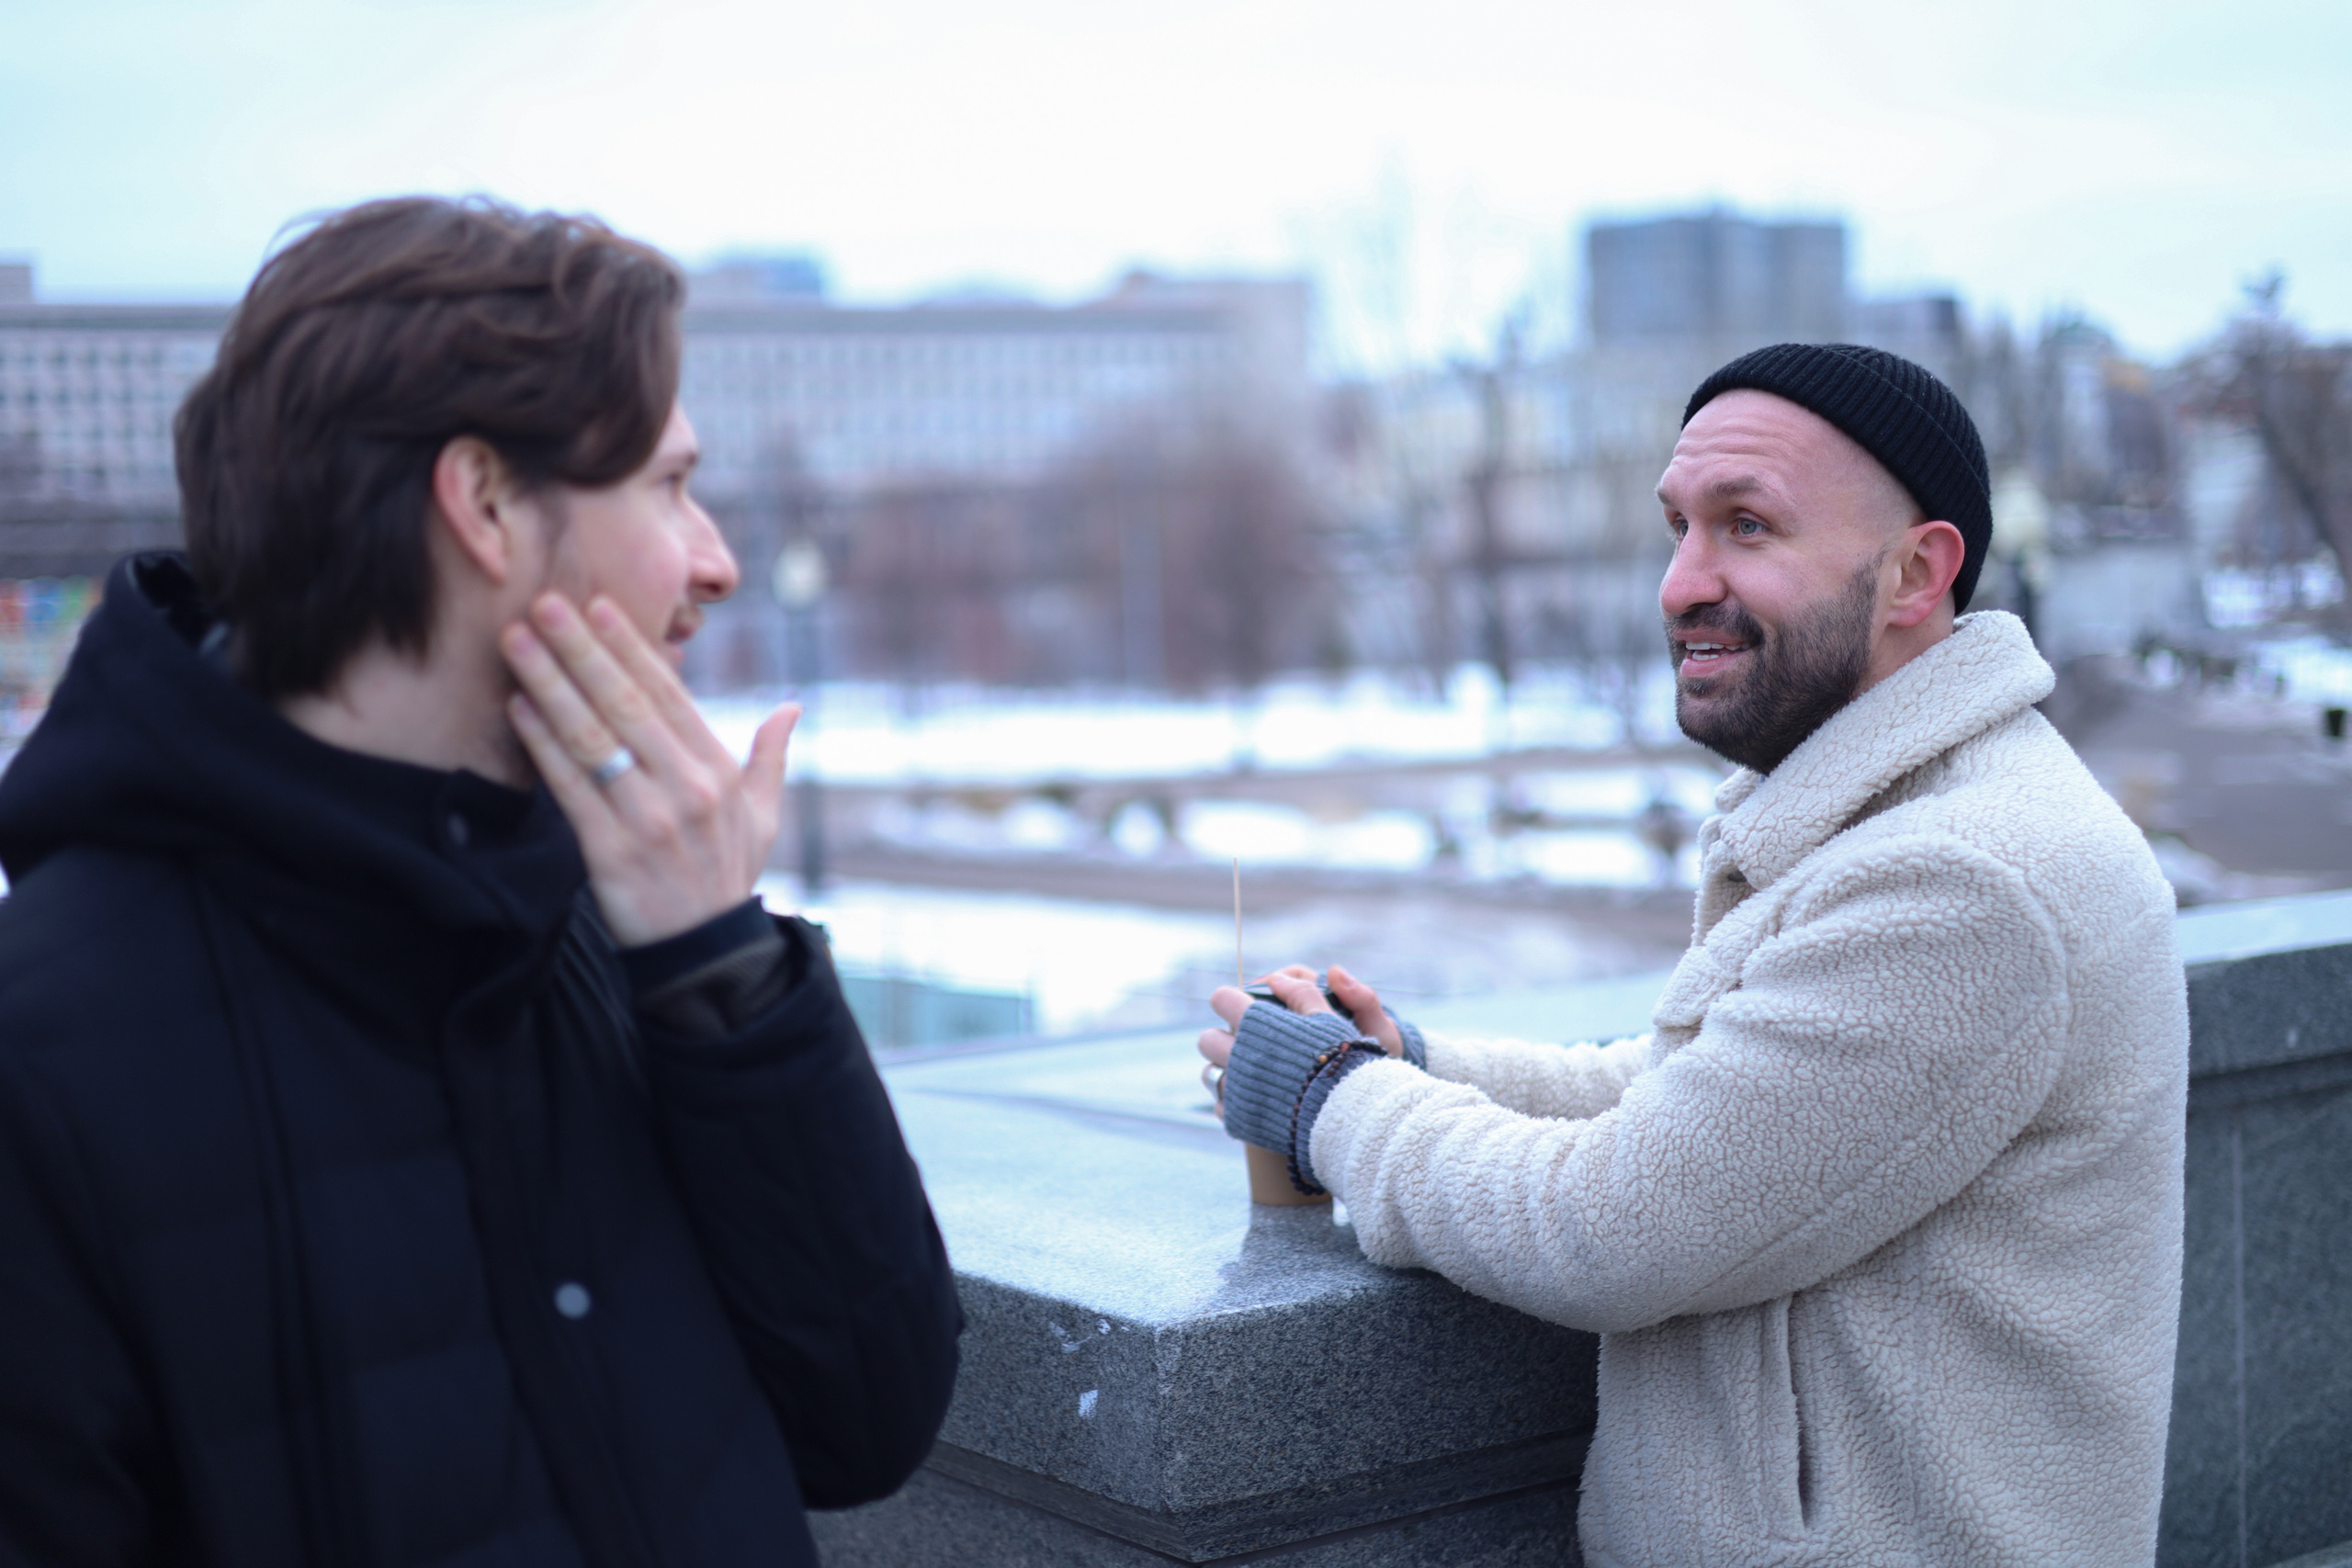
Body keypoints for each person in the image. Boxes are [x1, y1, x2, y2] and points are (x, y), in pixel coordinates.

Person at [0, 197, 962, 1567]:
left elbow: (869, 1421)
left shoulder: (613, 926)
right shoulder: (40, 1059)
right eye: (668, 486)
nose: (718, 564)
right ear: (488, 504)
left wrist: (723, 978)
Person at [1202, 344, 2188, 1566]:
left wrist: (1329, 1100)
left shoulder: (1964, 879)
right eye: (1677, 527)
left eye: (1747, 527)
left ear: (1915, 573)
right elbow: (1707, 1101)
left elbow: (1616, 1225)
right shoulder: (1904, 813)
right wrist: (1417, 1058)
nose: (1680, 584)